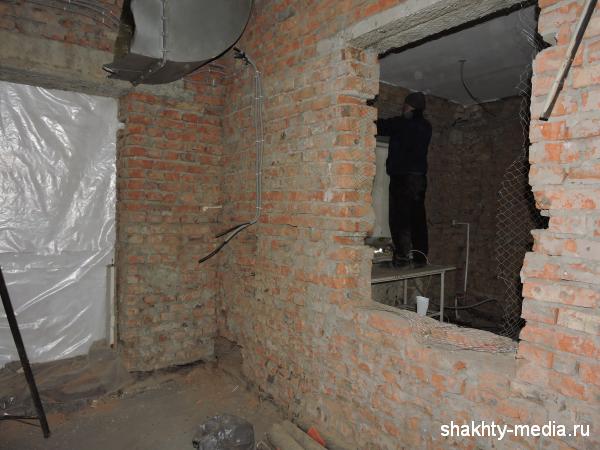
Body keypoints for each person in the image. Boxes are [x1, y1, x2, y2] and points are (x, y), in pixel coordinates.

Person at [376, 91, 432, 267]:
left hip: (402, 178)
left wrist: (364, 114)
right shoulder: (426, 126)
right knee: (417, 218)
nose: (402, 108)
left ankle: (401, 259)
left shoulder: (402, 123)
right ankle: (420, 258)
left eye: (404, 105)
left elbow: (379, 127)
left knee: (400, 218)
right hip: (419, 179)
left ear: (408, 106)